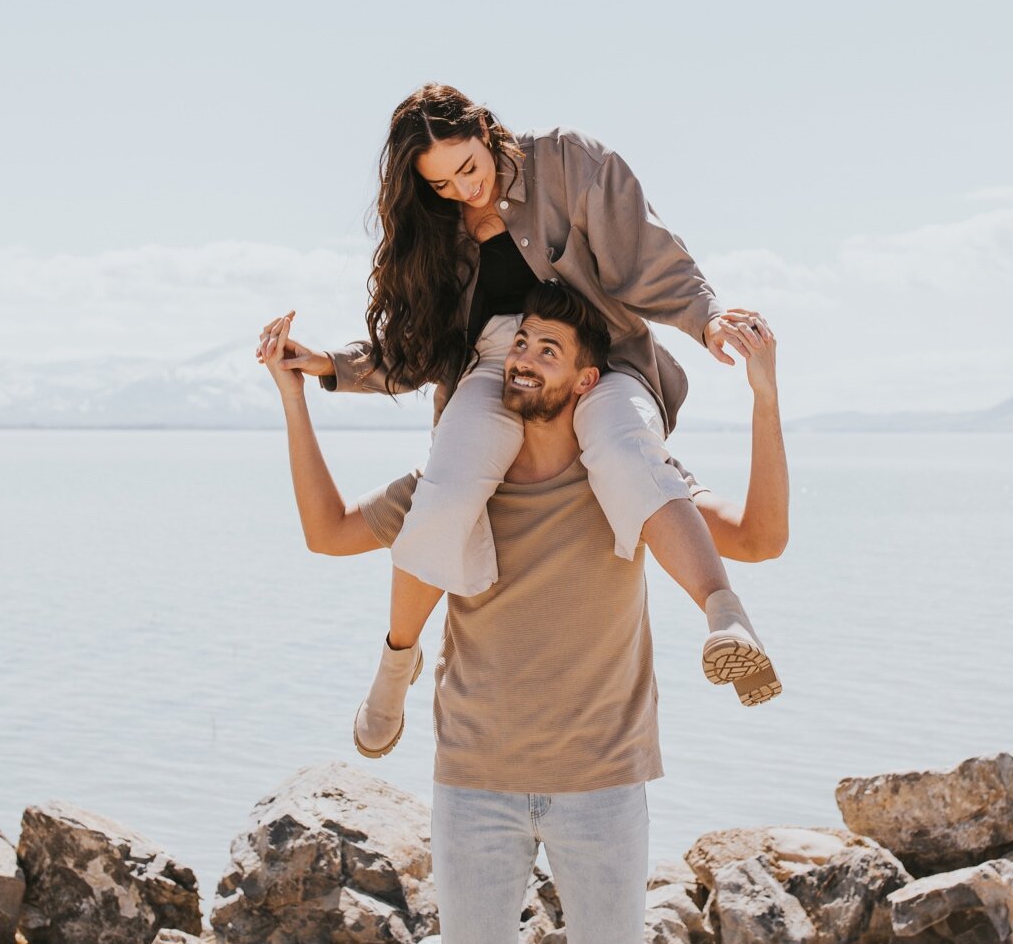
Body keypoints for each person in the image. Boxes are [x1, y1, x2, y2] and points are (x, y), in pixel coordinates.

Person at [257, 278, 789, 944]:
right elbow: (324, 532)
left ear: (589, 380)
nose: (525, 356)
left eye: (548, 345)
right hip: (478, 780)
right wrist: (295, 396)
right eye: (517, 344)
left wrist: (767, 393)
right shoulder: (454, 482)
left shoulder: (627, 481)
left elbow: (759, 535)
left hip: (603, 780)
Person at [263, 84, 780, 758]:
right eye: (442, 183)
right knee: (447, 486)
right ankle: (396, 665)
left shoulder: (569, 162)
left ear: (487, 128)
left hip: (599, 357)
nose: (463, 191)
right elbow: (419, 349)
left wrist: (706, 318)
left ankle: (727, 621)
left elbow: (648, 255)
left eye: (469, 168)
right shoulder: (438, 230)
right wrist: (327, 364)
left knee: (626, 455)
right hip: (491, 367)